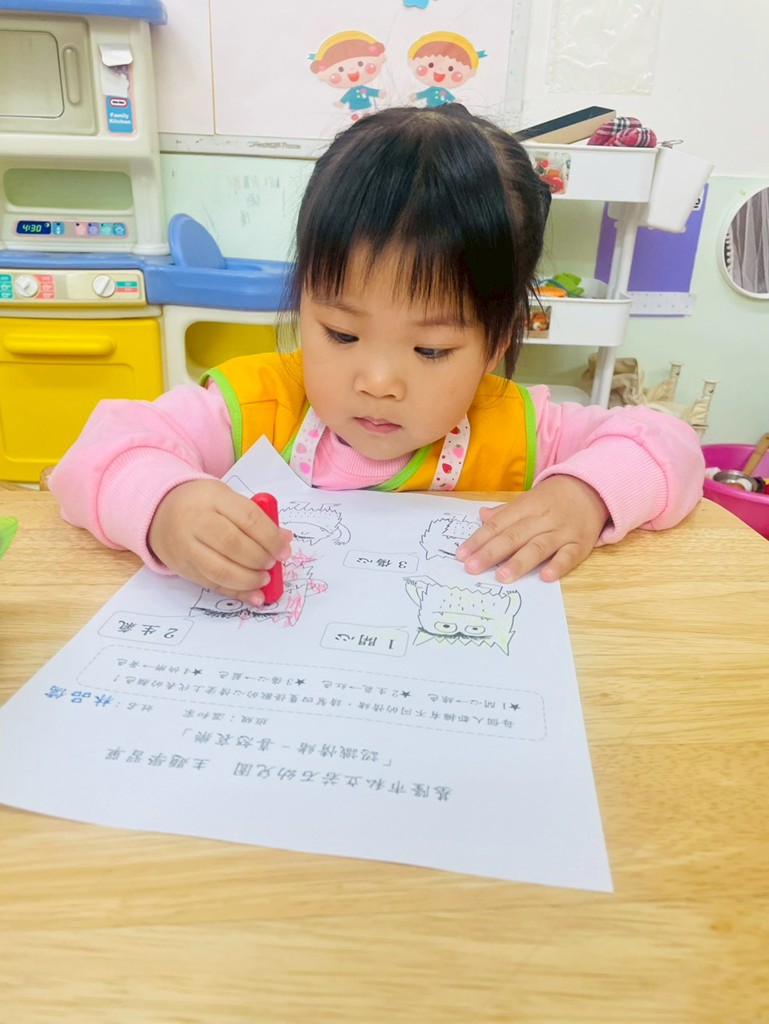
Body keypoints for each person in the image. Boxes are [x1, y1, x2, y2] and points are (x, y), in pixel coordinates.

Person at [49, 104, 705, 609]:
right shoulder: (257, 406)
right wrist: (165, 507)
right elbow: (97, 453)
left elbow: (670, 445)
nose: (378, 381)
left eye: (431, 349)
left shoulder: (520, 430)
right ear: (303, 302)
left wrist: (585, 494)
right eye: (340, 334)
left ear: (498, 342)